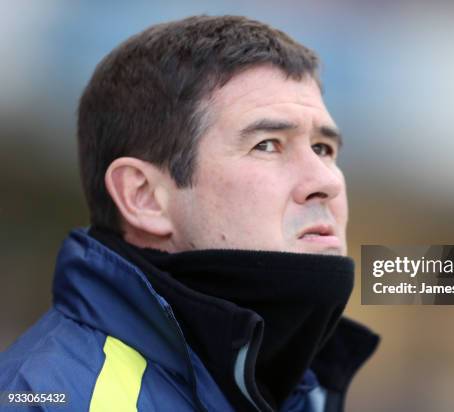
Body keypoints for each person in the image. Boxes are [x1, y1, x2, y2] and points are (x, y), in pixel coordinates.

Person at [0, 15, 379, 412]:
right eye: (267, 144)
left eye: (323, 148)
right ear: (144, 196)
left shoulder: (303, 390)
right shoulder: (44, 397)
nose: (327, 182)